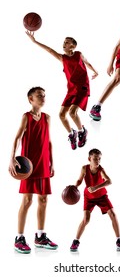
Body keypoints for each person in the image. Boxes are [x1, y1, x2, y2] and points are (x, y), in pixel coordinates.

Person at [26, 32, 98, 149]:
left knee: (72, 112)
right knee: (61, 115)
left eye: (67, 42)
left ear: (73, 46)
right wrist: (34, 41)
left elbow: (87, 62)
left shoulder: (78, 55)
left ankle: (82, 131)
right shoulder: (63, 58)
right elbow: (49, 50)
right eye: (64, 42)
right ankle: (71, 133)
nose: (64, 44)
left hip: (82, 87)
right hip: (71, 89)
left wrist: (95, 71)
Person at [9, 87, 58, 254]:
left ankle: (40, 236)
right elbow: (17, 138)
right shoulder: (26, 117)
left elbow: (49, 142)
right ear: (31, 99)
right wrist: (12, 158)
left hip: (43, 163)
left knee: (43, 200)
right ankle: (19, 238)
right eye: (39, 96)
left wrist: (52, 162)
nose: (43, 98)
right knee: (27, 201)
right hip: (28, 165)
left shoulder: (47, 118)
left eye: (44, 95)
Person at [69, 149, 120, 252]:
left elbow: (109, 181)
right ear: (89, 159)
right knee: (86, 220)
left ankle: (119, 240)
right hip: (89, 197)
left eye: (99, 159)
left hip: (101, 196)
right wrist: (75, 186)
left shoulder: (101, 170)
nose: (98, 161)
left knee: (113, 215)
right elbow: (79, 180)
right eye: (95, 159)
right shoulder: (84, 168)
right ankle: (76, 241)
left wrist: (96, 187)